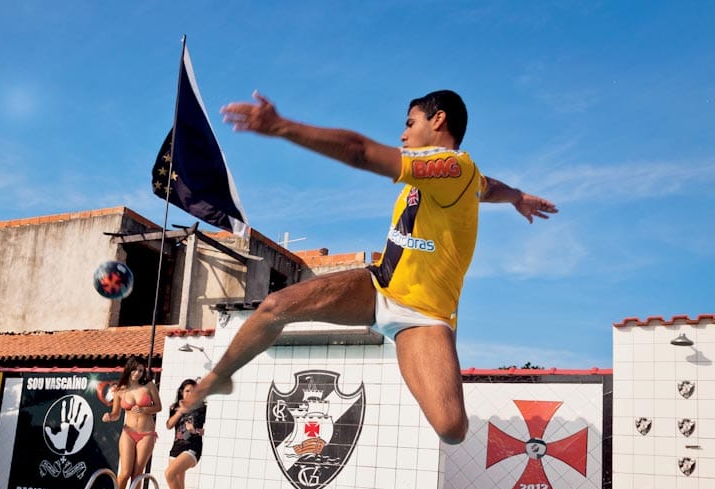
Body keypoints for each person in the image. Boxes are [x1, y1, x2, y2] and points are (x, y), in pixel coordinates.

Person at [187, 90, 557, 445]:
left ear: (438, 119)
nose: (403, 133)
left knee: (451, 428)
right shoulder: (459, 177)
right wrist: (518, 197)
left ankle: (410, 352)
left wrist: (283, 127)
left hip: (424, 317)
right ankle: (218, 377)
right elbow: (488, 188)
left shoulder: (454, 167)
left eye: (410, 123)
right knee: (273, 308)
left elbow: (360, 152)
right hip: (378, 287)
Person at [101, 356, 162, 489]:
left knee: (136, 474)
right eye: (135, 369)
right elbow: (116, 414)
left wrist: (143, 410)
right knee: (125, 472)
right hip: (128, 432)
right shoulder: (120, 390)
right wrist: (109, 416)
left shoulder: (148, 386)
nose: (137, 373)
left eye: (141, 370)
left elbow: (159, 407)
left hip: (146, 433)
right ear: (129, 369)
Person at [165, 379, 206, 489]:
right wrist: (180, 412)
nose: (190, 393)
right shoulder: (175, 407)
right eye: (187, 390)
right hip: (176, 449)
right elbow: (169, 425)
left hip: (192, 448)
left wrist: (195, 431)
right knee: (178, 487)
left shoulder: (202, 408)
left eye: (193, 391)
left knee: (169, 474)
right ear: (182, 392)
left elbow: (208, 429)